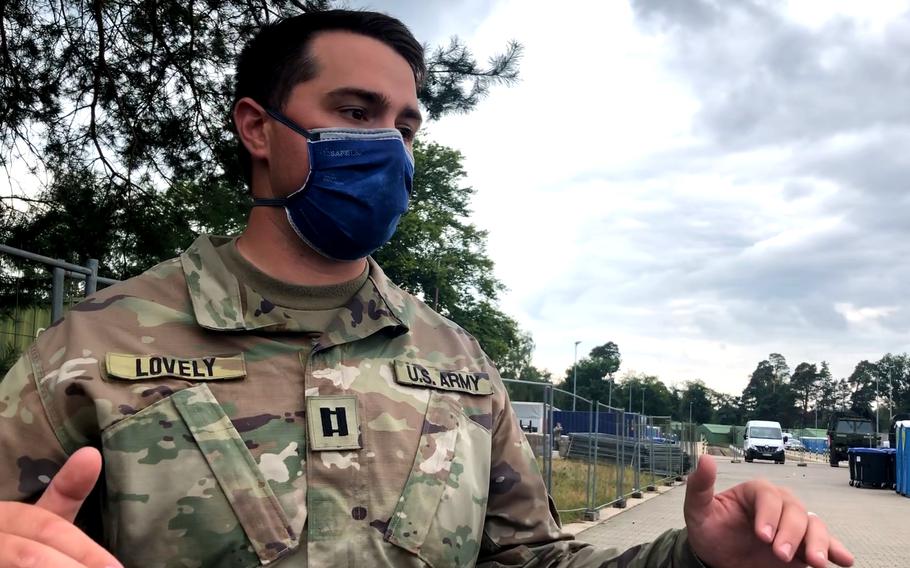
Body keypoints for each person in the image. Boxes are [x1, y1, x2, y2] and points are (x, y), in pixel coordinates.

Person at [0, 9, 854, 568]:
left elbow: (530, 564)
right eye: (357, 112)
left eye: (406, 125)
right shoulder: (97, 345)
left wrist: (694, 557)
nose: (391, 147)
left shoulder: (454, 360)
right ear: (258, 127)